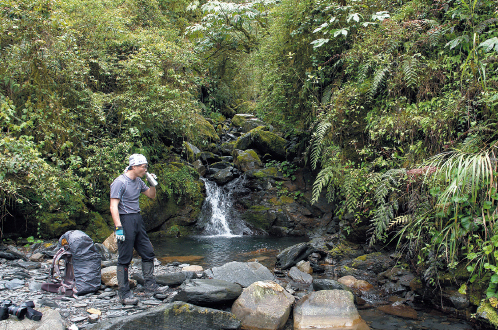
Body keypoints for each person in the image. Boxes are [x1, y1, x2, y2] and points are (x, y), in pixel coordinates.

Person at [110, 153, 164, 305]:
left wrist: (152, 183)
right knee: (125, 257)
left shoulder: (139, 181)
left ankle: (150, 284)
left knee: (148, 252)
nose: (145, 169)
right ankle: (124, 292)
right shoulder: (120, 182)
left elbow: (151, 196)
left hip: (137, 219)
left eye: (146, 166)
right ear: (134, 166)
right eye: (143, 166)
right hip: (125, 219)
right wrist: (118, 227)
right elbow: (113, 206)